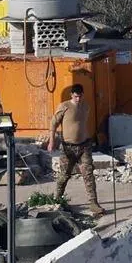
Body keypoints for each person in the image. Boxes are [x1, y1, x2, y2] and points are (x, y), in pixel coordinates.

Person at [49, 84, 106, 219]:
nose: (78, 99)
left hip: (84, 145)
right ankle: (57, 199)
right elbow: (53, 124)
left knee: (88, 174)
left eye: (80, 96)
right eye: (75, 96)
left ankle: (93, 203)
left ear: (82, 95)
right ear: (71, 95)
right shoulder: (64, 106)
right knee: (64, 175)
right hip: (68, 147)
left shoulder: (86, 107)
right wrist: (51, 141)